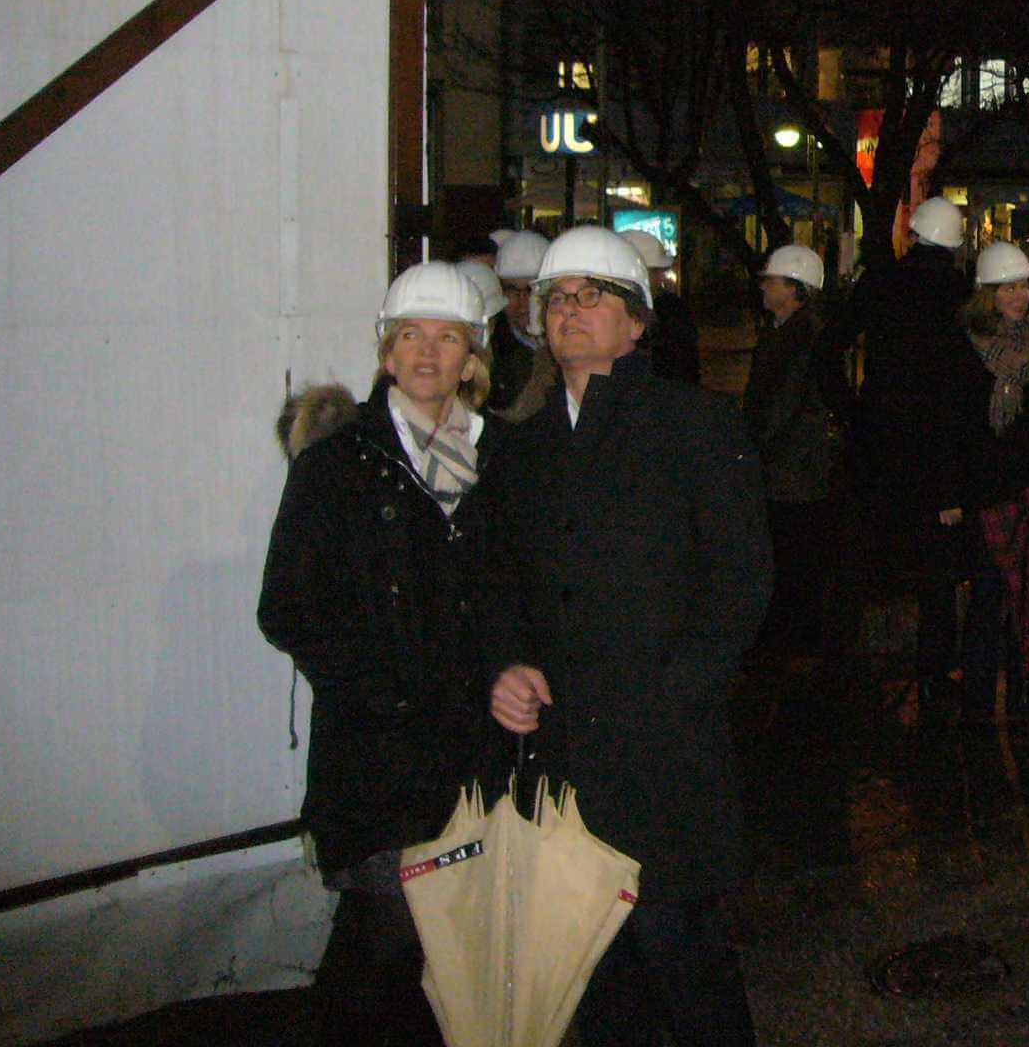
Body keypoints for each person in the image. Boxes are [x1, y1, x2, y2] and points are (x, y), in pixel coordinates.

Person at [477, 226, 771, 1047]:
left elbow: (742, 579)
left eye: (592, 296)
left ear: (636, 322)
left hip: (665, 751)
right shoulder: (525, 448)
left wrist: (681, 690)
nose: (570, 311)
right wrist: (508, 665)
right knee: (596, 973)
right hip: (565, 753)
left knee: (683, 956)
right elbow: (500, 582)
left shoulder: (695, 426)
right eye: (557, 299)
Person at [258, 261, 496, 1047]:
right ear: (387, 353)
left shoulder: (498, 459)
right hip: (378, 757)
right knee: (386, 944)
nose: (427, 353)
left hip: (471, 752)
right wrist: (380, 691)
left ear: (472, 358)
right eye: (409, 336)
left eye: (447, 337)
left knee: (439, 951)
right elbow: (285, 608)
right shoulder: (337, 465)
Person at [814, 195, 986, 726]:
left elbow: (827, 352)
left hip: (877, 446)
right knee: (937, 577)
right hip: (936, 456)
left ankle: (841, 670)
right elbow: (969, 389)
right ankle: (933, 678)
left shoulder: (881, 283)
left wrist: (853, 413)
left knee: (858, 562)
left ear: (913, 236)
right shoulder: (958, 297)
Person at [960, 241, 1029, 731]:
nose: (1018, 296)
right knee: (988, 597)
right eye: (1006, 287)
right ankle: (978, 703)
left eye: (1022, 286)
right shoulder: (967, 346)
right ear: (987, 293)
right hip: (988, 488)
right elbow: (956, 422)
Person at [744, 243, 839, 657]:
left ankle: (793, 639)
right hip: (788, 465)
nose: (764, 287)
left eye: (773, 281)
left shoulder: (801, 337)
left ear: (795, 289)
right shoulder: (784, 331)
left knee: (793, 555)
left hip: (793, 468)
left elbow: (784, 405)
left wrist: (753, 446)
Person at [622, 228, 702, 385]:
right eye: (654, 272)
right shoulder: (606, 313)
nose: (660, 279)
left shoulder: (671, 310)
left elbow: (684, 368)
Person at [489, 230, 549, 414]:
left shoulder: (571, 346)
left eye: (531, 290)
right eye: (512, 290)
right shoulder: (491, 354)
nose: (523, 302)